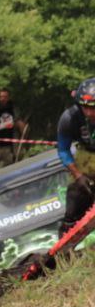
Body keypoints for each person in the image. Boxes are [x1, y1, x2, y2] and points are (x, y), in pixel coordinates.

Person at [56, 79, 95, 236]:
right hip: (85, 155)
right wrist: (78, 175)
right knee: (76, 192)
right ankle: (67, 230)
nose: (89, 113)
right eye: (85, 108)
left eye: (93, 108)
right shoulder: (69, 118)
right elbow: (63, 150)